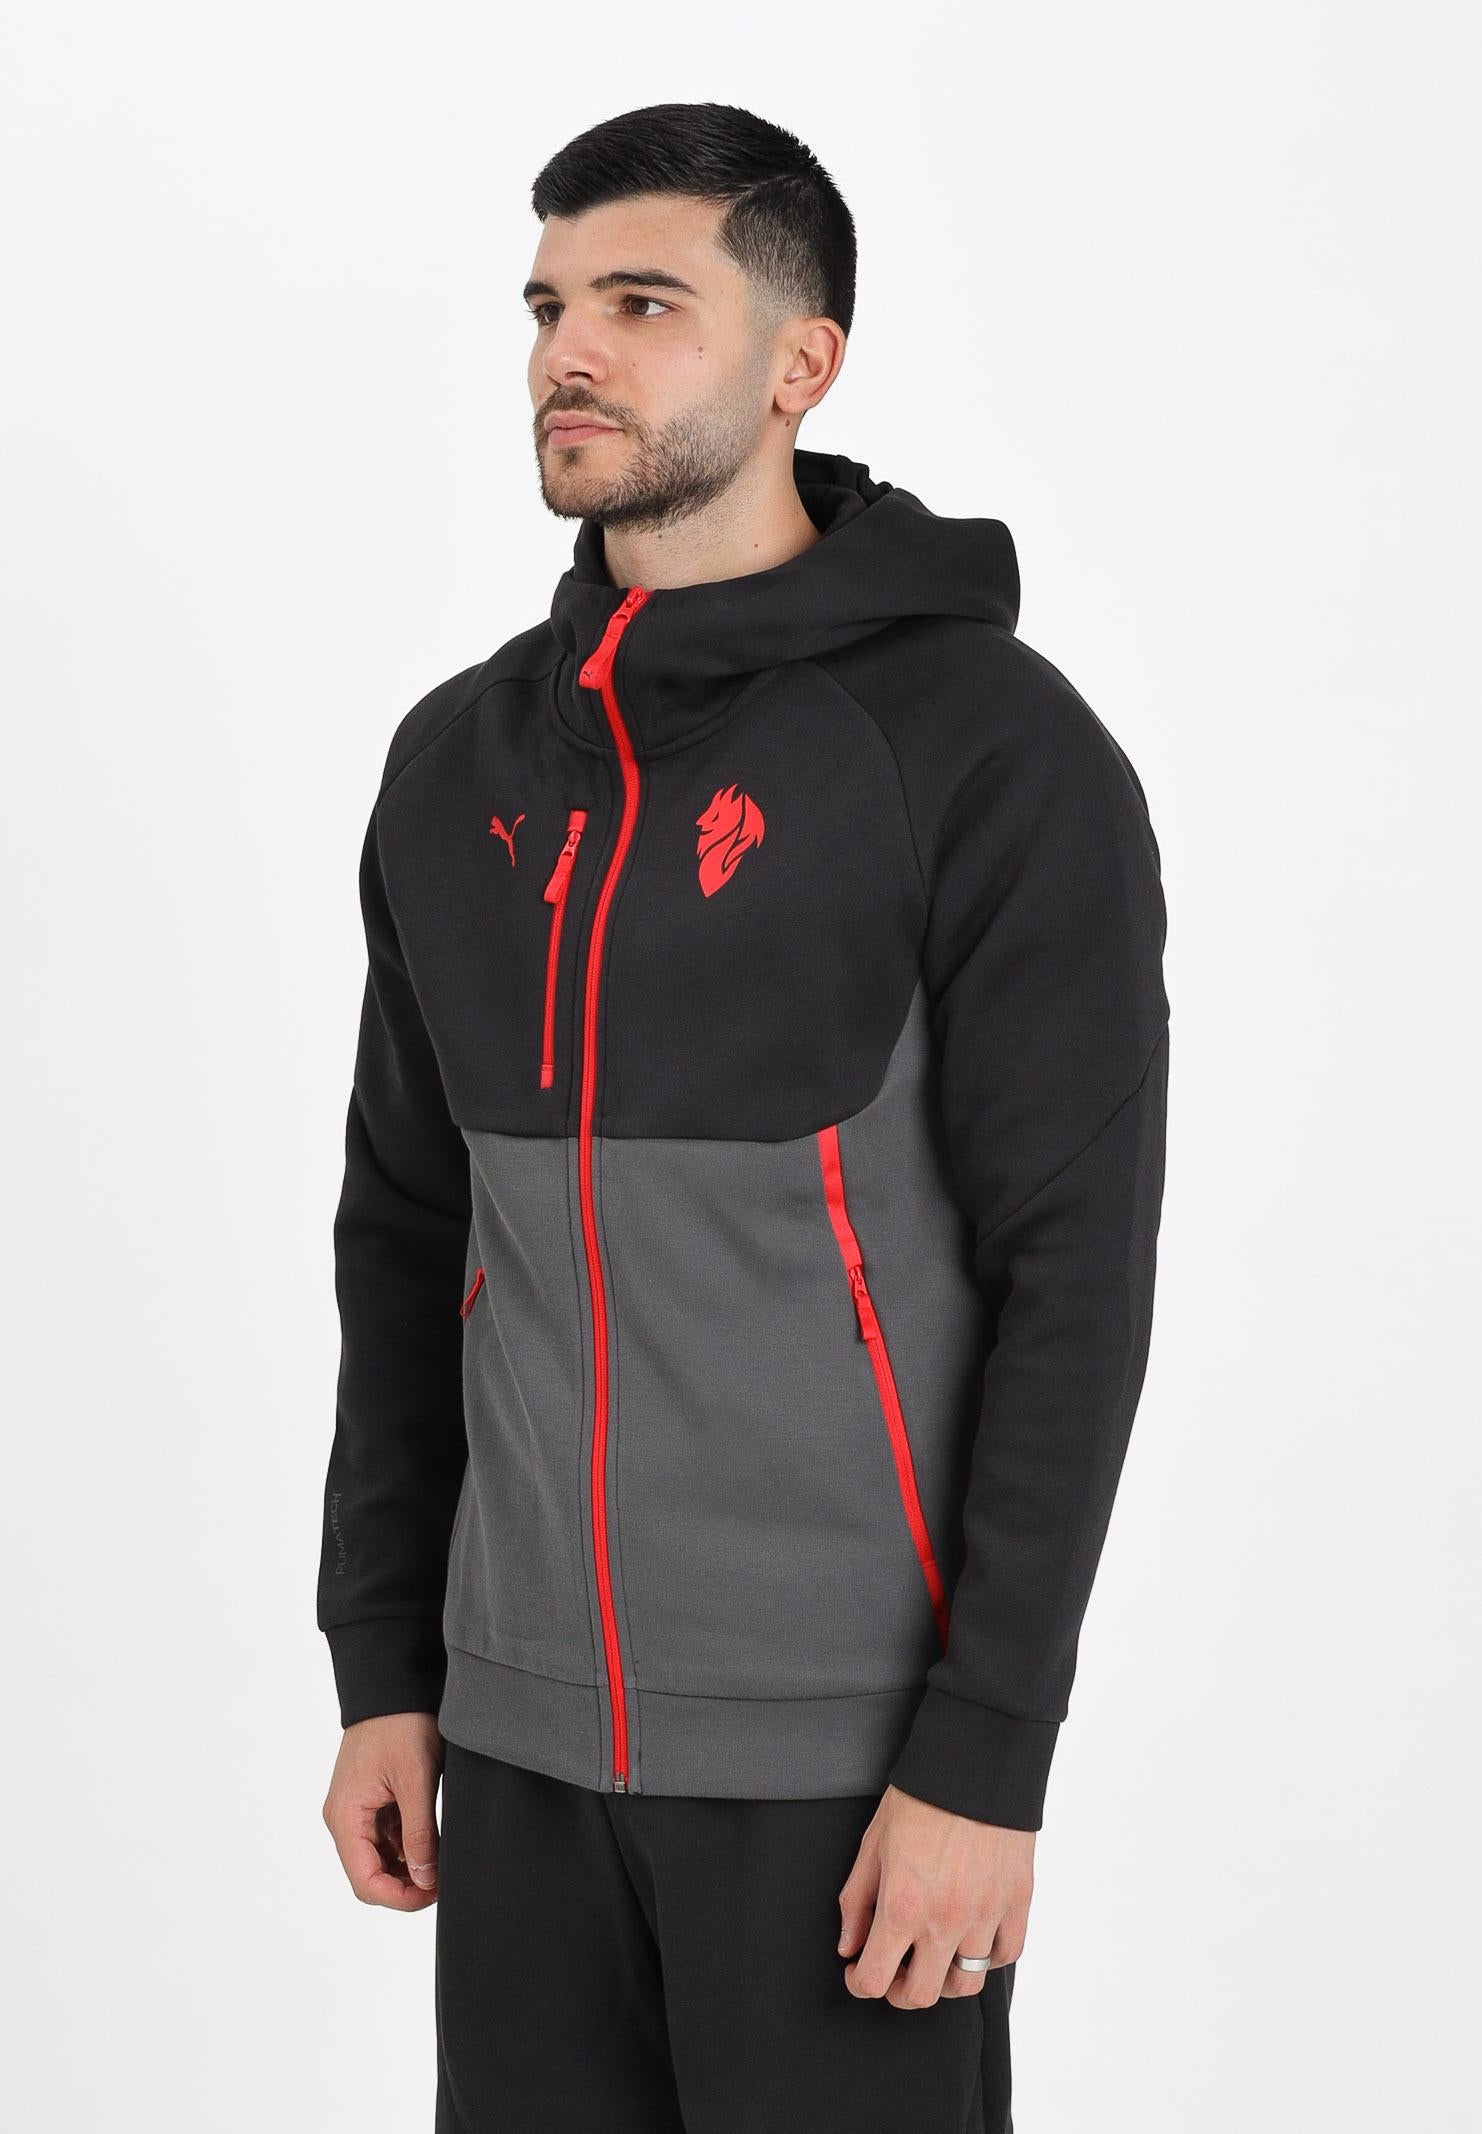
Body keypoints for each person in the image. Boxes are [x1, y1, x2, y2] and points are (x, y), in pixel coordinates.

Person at [318, 100, 1169, 2134]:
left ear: (803, 362)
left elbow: (1075, 1275)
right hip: (514, 1758)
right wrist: (386, 1662)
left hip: (845, 1779)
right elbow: (406, 1231)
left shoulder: (986, 751)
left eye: (641, 304)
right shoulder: (457, 764)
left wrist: (986, 1757)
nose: (567, 353)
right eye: (547, 307)